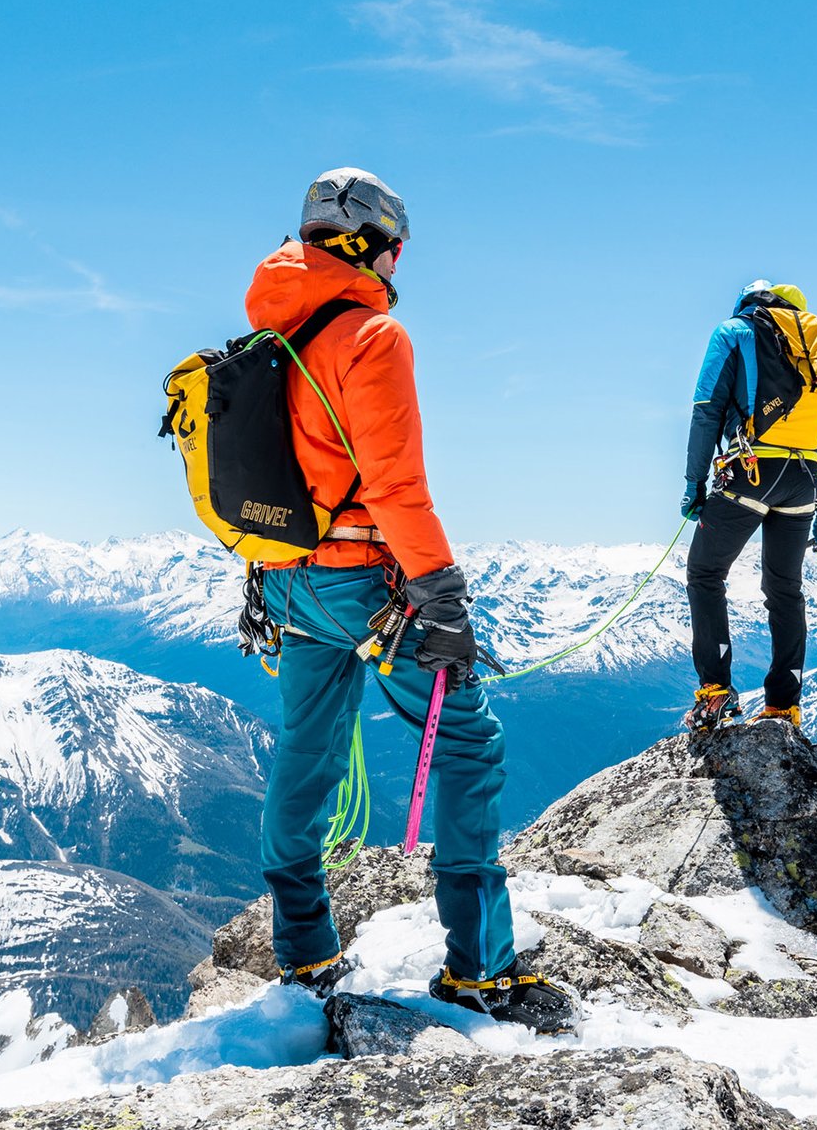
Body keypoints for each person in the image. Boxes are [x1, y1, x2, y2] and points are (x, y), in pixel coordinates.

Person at [243, 168, 574, 1034]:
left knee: (307, 749)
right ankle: (479, 970)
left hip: (286, 579)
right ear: (368, 244)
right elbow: (394, 485)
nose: (399, 262)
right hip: (366, 580)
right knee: (467, 741)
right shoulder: (371, 335)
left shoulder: (272, 332)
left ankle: (304, 950)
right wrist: (442, 594)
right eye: (395, 246)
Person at [680, 280, 817, 731]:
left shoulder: (734, 331)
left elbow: (706, 409)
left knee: (705, 573)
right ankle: (783, 705)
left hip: (751, 472)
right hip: (804, 481)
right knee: (784, 589)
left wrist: (694, 484)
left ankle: (715, 690)